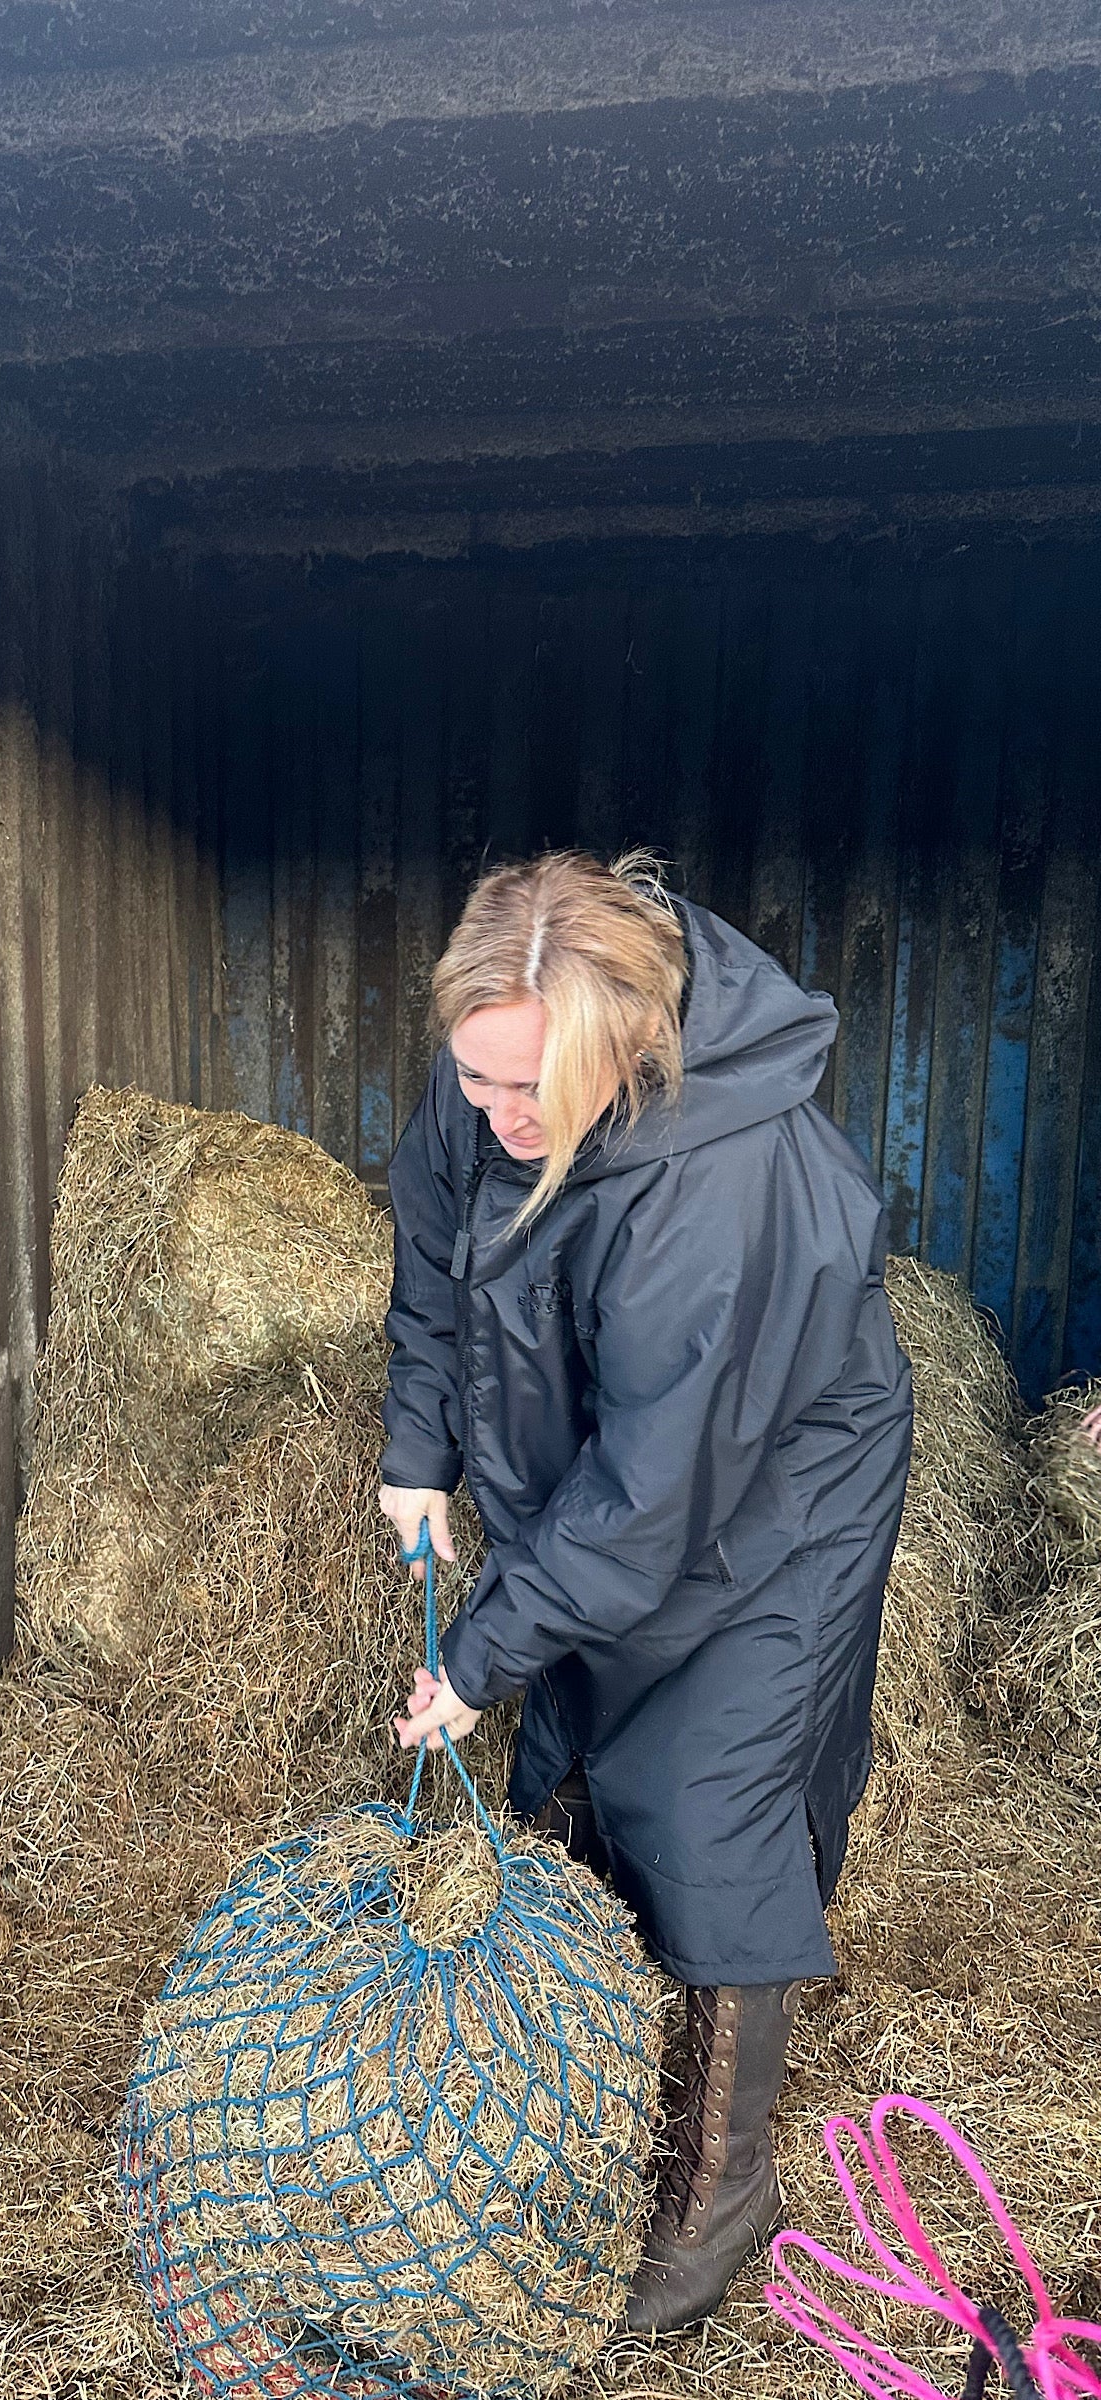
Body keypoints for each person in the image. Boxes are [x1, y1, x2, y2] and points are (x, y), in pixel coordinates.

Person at [380, 850, 914, 2334]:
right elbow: (433, 1245)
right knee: (590, 1736)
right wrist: (417, 1447)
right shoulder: (498, 1067)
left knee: (710, 1782)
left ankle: (721, 2187)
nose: (491, 1113)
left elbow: (655, 1497)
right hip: (624, 1450)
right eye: (472, 1077)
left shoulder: (723, 1180)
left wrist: (479, 1652)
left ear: (619, 1046)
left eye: (520, 1090)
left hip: (778, 1478)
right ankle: (599, 2041)